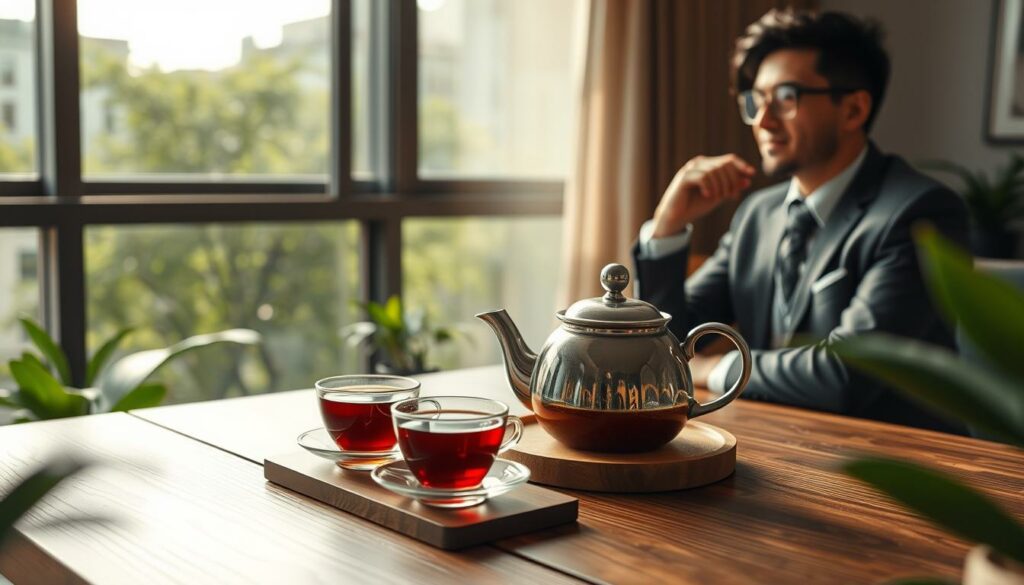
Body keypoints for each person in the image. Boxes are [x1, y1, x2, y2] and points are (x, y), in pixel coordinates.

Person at [632, 9, 968, 434]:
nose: (763, 121)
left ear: (853, 110)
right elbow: (666, 343)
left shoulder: (921, 212)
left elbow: (848, 372)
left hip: (897, 462)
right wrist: (667, 227)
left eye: (786, 97)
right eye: (756, 100)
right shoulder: (758, 214)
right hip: (779, 443)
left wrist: (716, 368)